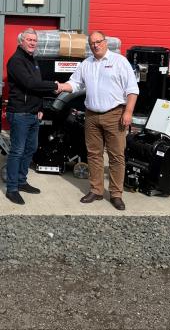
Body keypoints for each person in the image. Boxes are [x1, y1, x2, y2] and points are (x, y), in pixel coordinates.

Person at [58, 31, 139, 210]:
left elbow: (132, 89)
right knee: (94, 154)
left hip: (114, 114)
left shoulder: (119, 61)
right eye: (92, 43)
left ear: (105, 42)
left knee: (116, 156)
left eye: (98, 42)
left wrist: (128, 112)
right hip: (92, 115)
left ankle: (116, 194)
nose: (95, 45)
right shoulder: (86, 63)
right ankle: (96, 190)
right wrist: (61, 86)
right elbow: (75, 83)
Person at [4, 28, 59, 204]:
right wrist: (56, 85)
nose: (32, 43)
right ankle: (12, 188)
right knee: (17, 151)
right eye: (29, 39)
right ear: (21, 41)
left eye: (35, 40)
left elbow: (37, 88)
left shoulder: (33, 60)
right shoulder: (16, 61)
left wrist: (41, 107)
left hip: (34, 113)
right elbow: (30, 83)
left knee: (31, 149)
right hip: (20, 113)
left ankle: (21, 181)